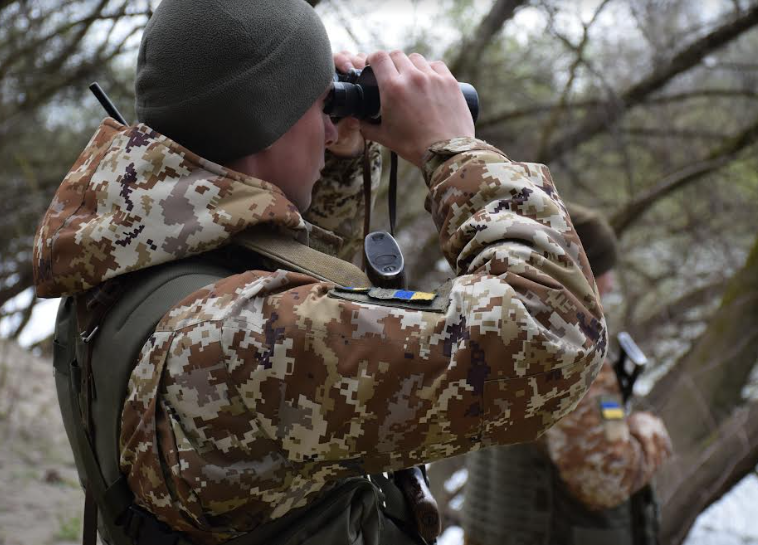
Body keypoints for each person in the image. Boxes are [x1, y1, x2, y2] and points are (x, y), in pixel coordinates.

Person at [33, 1, 607, 544]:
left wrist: (330, 164)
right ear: (267, 119)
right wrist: (454, 150)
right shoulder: (244, 340)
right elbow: (551, 335)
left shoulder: (130, 257)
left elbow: (288, 273)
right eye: (320, 112)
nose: (332, 130)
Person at [462, 204, 673, 545]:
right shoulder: (571, 355)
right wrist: (649, 434)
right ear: (577, 273)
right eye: (602, 270)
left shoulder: (496, 329)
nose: (611, 286)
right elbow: (603, 480)